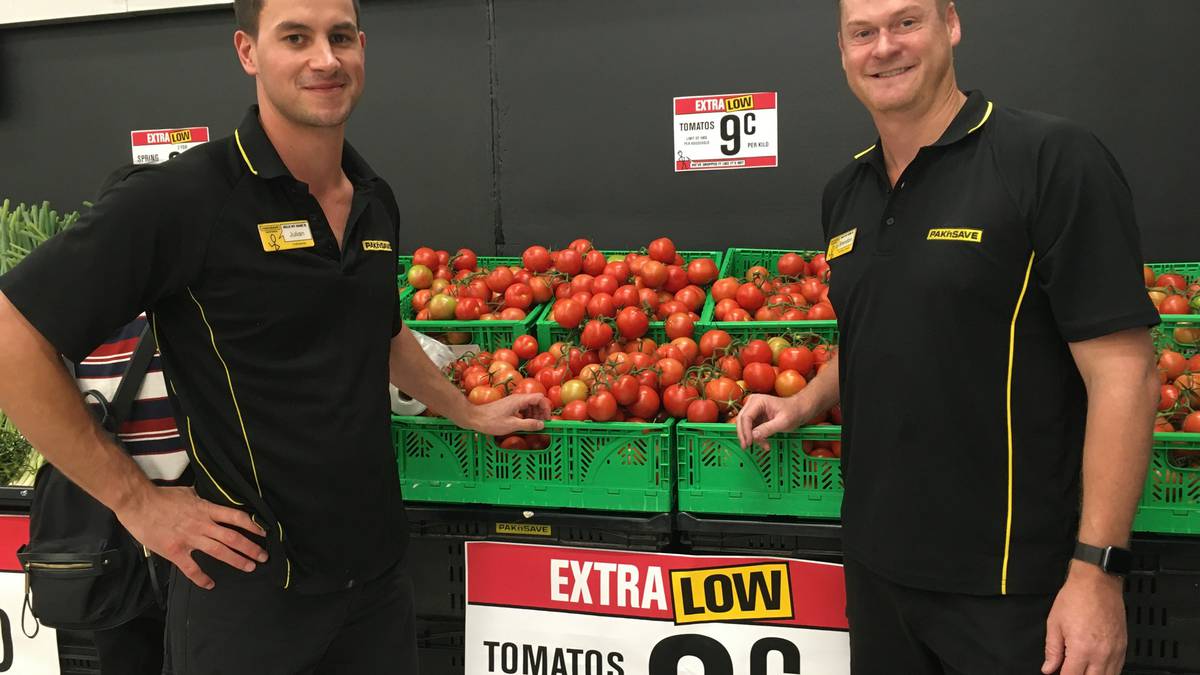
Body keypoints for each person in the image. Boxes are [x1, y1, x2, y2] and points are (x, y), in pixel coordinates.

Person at [0, 0, 548, 672]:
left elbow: (380, 331)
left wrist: (465, 407)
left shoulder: (374, 197)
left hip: (375, 582)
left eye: (339, 37)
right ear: (248, 52)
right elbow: (12, 332)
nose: (325, 58)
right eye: (296, 37)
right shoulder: (187, 198)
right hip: (247, 593)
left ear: (361, 49)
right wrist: (134, 500)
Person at [737, 1, 1160, 673]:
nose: (884, 47)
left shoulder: (1049, 158)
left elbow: (1127, 373)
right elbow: (884, 327)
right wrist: (805, 400)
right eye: (863, 32)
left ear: (951, 25)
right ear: (842, 51)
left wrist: (1097, 570)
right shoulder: (845, 192)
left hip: (1012, 589)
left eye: (906, 22)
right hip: (877, 573)